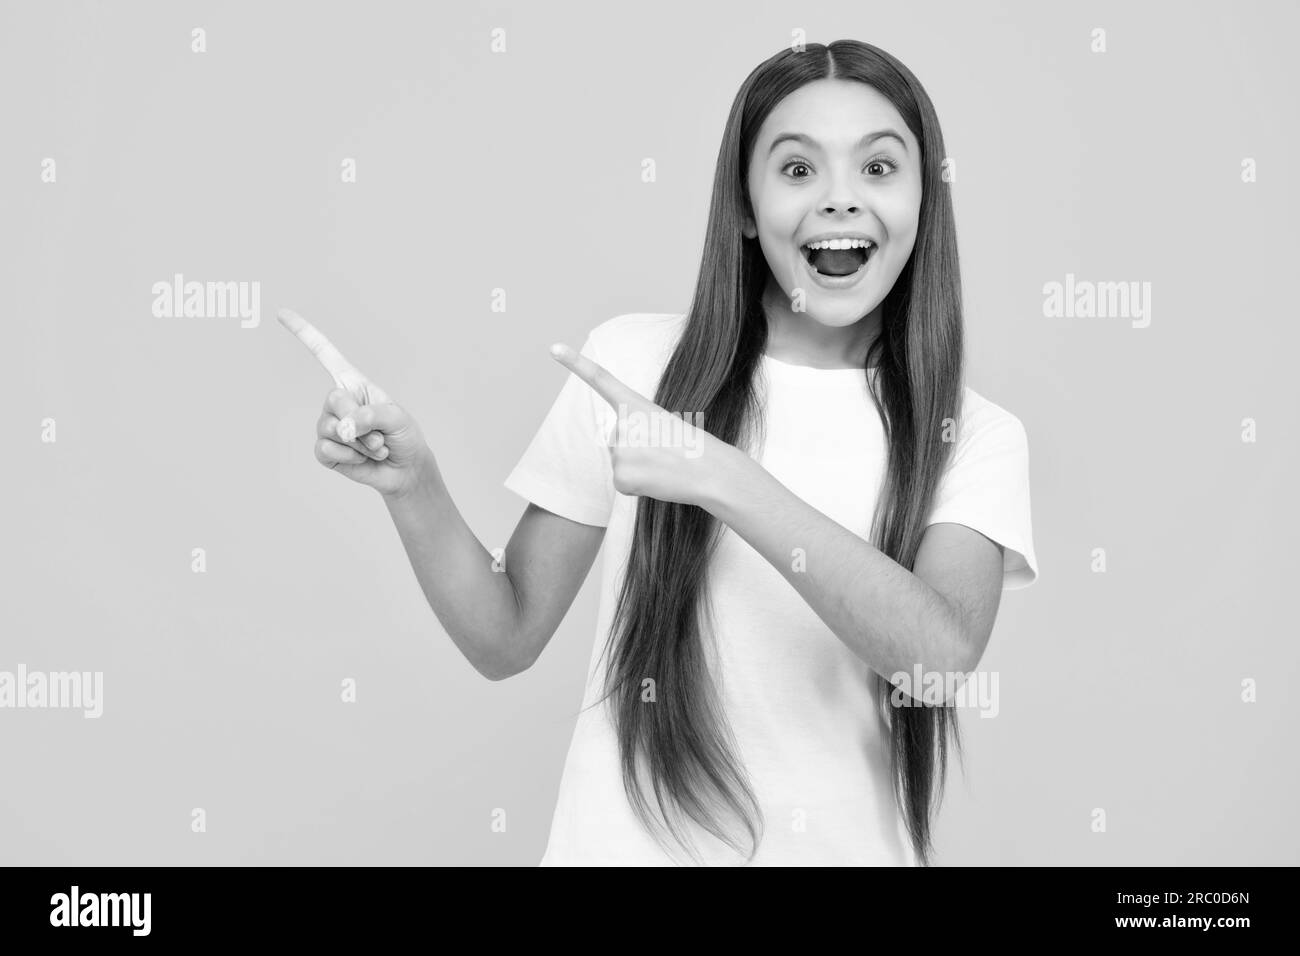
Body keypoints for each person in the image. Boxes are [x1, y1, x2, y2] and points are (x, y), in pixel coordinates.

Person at [281, 39, 1038, 867]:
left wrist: (721, 477)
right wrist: (414, 486)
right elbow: (504, 638)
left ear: (926, 200)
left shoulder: (972, 433)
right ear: (745, 207)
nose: (839, 202)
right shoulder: (634, 368)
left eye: (880, 169)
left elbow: (938, 663)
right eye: (796, 171)